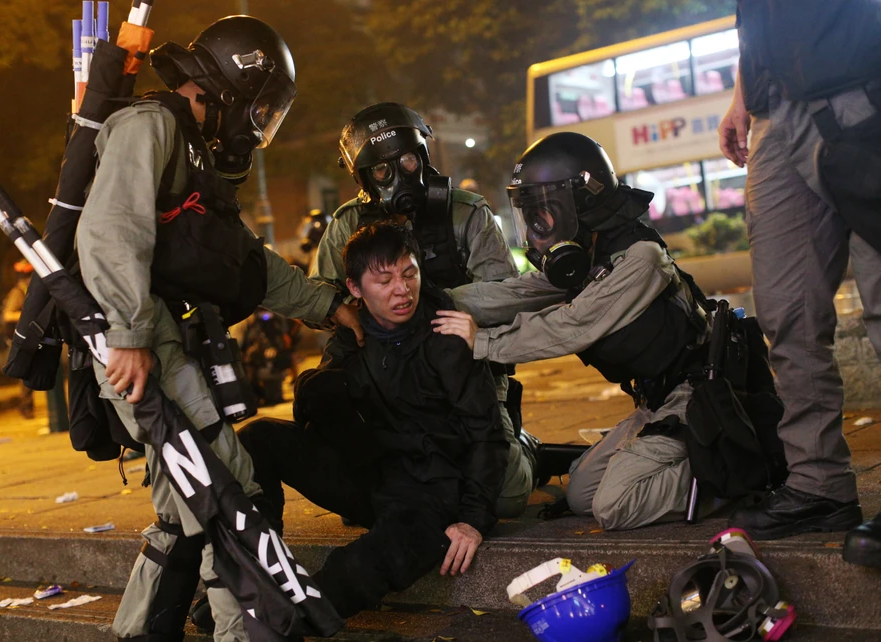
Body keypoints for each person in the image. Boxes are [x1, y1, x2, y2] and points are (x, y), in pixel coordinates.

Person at [76, 16, 361, 642]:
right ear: (232, 88)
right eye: (262, 106)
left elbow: (243, 262)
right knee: (232, 493)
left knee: (183, 509)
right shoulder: (149, 126)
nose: (259, 123)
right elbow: (108, 232)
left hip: (158, 340)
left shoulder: (191, 149)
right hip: (140, 343)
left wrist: (326, 304)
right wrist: (128, 336)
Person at [433, 132, 713, 531]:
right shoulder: (589, 255)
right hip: (656, 401)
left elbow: (571, 325)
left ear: (581, 200)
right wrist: (435, 302)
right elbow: (517, 293)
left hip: (696, 399)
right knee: (582, 494)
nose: (535, 227)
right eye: (530, 213)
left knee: (614, 506)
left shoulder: (640, 259)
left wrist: (482, 341)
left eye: (543, 211)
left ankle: (725, 474)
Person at [236, 222, 508, 618]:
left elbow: (488, 434)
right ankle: (255, 571)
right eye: (384, 280)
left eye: (410, 273)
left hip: (429, 493)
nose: (402, 289)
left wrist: (473, 519)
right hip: (369, 475)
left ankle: (286, 616)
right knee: (258, 437)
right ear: (355, 288)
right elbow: (315, 413)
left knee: (357, 570)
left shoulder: (446, 334)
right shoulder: (353, 333)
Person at [311, 102, 563, 519]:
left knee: (506, 498)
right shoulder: (347, 225)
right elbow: (317, 300)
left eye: (408, 160)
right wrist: (342, 307)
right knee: (363, 500)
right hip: (387, 377)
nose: (400, 176)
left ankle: (526, 449)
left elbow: (506, 296)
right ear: (363, 177)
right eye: (382, 170)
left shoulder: (466, 213)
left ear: (424, 156)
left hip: (462, 372)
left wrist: (438, 304)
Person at [719, 0, 880, 551]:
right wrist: (742, 96)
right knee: (787, 313)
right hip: (772, 112)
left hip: (860, 84)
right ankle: (820, 484)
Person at [1, 259, 35, 418]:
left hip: (26, 338)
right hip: (18, 339)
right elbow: (8, 315)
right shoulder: (18, 292)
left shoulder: (27, 291)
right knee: (26, 373)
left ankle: (27, 406)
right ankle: (25, 407)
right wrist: (29, 315)